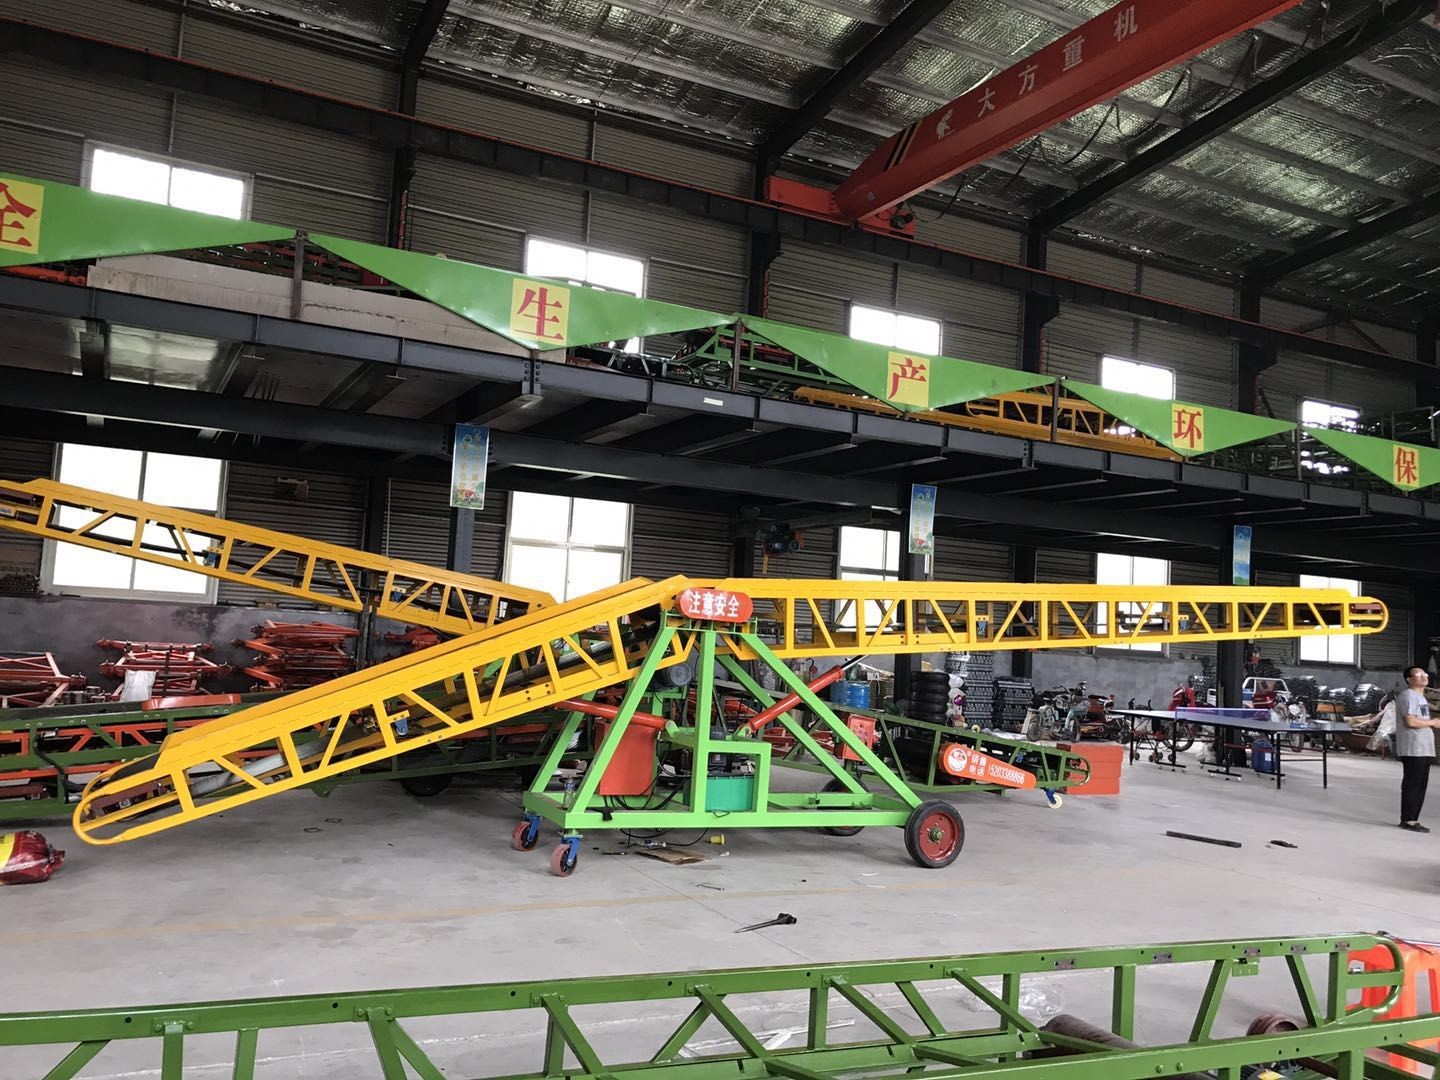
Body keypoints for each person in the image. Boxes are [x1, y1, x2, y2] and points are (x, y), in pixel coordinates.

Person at [1395, 666, 1438, 832]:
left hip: (1423, 747)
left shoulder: (1420, 697)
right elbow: (1411, 722)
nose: (1424, 676)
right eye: (1418, 674)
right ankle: (1408, 820)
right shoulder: (1408, 696)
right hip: (1414, 747)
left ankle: (1412, 818)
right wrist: (1433, 722)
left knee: (1420, 785)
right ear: (1409, 679)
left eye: (1424, 673)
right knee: (1413, 784)